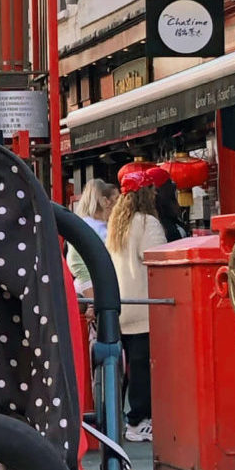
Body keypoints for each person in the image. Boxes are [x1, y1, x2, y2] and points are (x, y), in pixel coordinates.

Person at [108, 170, 170, 442]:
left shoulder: (117, 223)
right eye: (152, 189)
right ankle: (138, 420)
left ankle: (119, 420)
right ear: (146, 193)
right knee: (144, 368)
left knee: (125, 368)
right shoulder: (148, 223)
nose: (156, 193)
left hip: (121, 305)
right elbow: (158, 260)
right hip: (146, 305)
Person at [65, 178, 117, 295]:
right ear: (105, 201)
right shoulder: (90, 227)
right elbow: (76, 262)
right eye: (116, 200)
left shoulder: (84, 224)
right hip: (92, 287)